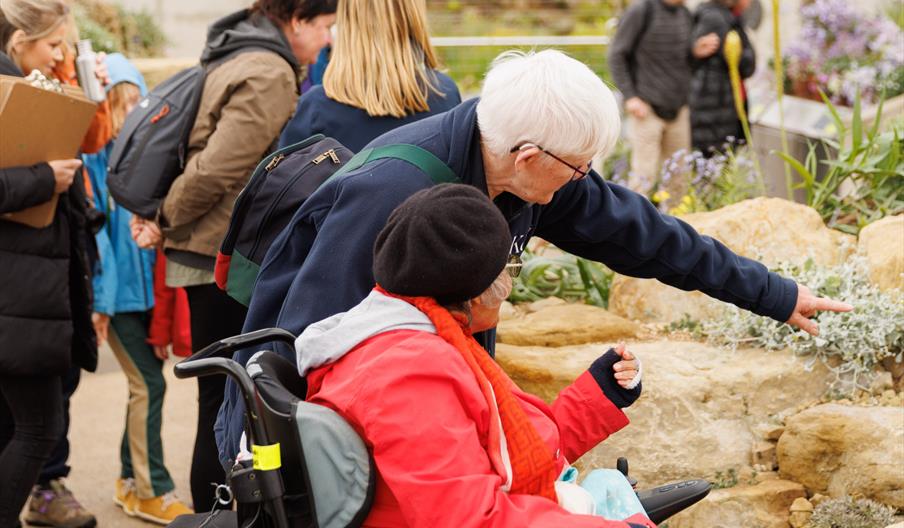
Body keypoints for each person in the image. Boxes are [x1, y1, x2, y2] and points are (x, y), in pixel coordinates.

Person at [218, 49, 852, 466]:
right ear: (529, 155)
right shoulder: (392, 195)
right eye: (581, 167)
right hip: (334, 432)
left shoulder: (529, 170)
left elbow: (649, 236)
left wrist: (775, 295)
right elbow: (309, 340)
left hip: (437, 405)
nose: (585, 180)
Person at [300, 183, 654, 527]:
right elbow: (468, 519)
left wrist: (598, 396)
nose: (509, 286)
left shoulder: (412, 334)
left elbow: (513, 447)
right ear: (472, 294)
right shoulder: (410, 376)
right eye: (507, 268)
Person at [129, 0, 337, 511]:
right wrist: (165, 218)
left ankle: (213, 514)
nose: (328, 40)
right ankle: (217, 516)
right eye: (325, 27)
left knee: (219, 398)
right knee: (228, 401)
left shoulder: (239, 52)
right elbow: (222, 166)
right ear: (298, 20)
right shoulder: (268, 71)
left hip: (209, 248)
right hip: (222, 257)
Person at [82, 53, 194, 525]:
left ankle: (130, 482)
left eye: (134, 106)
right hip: (117, 301)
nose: (128, 117)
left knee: (145, 384)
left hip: (144, 297)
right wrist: (100, 307)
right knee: (146, 384)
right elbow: (98, 244)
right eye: (117, 106)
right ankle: (152, 488)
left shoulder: (143, 161)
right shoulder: (93, 164)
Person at [0, 1, 96, 526]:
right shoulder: (7, 90)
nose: (61, 56)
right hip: (19, 293)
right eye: (53, 44)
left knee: (17, 427)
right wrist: (44, 179)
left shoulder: (24, 85)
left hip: (26, 287)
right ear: (19, 38)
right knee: (39, 426)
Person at [278, 0, 461, 152]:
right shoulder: (446, 95)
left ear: (347, 21)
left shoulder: (316, 109)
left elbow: (281, 188)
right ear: (414, 18)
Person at [607, 0, 720, 200]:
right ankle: (633, 227)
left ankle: (676, 226)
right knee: (643, 178)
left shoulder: (684, 13)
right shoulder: (642, 10)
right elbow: (617, 54)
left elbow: (682, 60)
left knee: (679, 179)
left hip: (679, 108)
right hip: (646, 108)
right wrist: (631, 97)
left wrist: (695, 52)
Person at [689, 0, 755, 155]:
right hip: (715, 112)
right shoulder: (717, 20)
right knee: (715, 164)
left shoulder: (729, 18)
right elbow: (746, 65)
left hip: (719, 110)